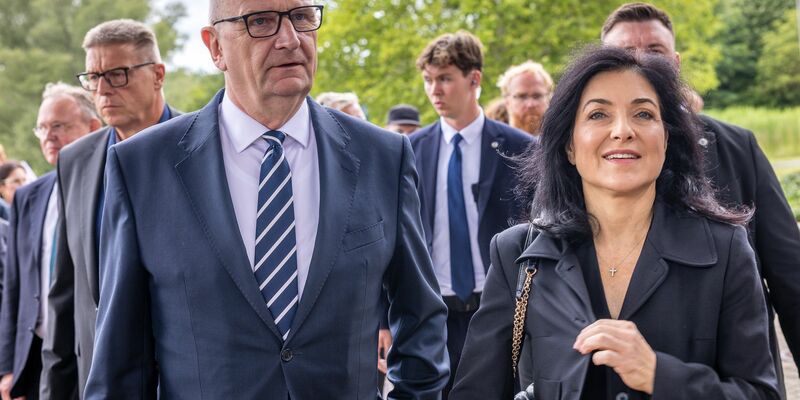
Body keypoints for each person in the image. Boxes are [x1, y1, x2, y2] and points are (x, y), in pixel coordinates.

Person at [83, 1, 448, 398]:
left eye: (302, 17)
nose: (289, 39)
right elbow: (120, 362)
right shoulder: (142, 167)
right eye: (260, 22)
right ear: (215, 47)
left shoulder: (383, 157)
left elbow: (421, 321)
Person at [451, 45, 780, 400]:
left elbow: (760, 392)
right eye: (598, 115)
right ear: (569, 147)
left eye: (643, 114)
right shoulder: (518, 253)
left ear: (666, 139)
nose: (622, 131)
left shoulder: (726, 249)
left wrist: (658, 374)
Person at [600, 3, 800, 396]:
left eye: (654, 51)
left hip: (729, 370)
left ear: (675, 61)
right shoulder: (587, 154)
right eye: (625, 53)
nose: (640, 61)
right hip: (611, 371)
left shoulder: (736, 146)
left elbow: (789, 273)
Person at [42, 19, 180, 400]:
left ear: (157, 75)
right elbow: (65, 291)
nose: (102, 90)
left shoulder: (200, 149)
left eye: (117, 74)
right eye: (94, 76)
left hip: (183, 379)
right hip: (98, 380)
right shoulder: (75, 160)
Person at [410, 30, 532, 398]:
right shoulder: (410, 150)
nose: (435, 90)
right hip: (434, 311)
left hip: (499, 308)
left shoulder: (520, 147)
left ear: (474, 79)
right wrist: (386, 320)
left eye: (445, 78)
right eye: (429, 79)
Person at [0, 83, 101, 400]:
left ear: (93, 127)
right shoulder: (28, 197)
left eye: (59, 126)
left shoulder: (112, 182)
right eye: (42, 127)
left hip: (94, 354)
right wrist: (7, 366)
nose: (48, 136)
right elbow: (15, 287)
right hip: (35, 358)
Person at [497, 60, 553, 135]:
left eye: (537, 96)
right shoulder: (493, 142)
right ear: (507, 101)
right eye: (522, 97)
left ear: (549, 98)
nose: (530, 104)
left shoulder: (565, 143)